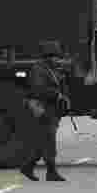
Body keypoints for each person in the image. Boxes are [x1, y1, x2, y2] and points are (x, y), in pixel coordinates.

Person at [19, 41, 71, 182]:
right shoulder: (39, 69)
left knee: (43, 141)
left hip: (51, 110)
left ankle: (28, 167)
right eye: (53, 56)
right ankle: (51, 172)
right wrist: (56, 94)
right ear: (46, 57)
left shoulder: (52, 69)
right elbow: (39, 89)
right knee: (48, 140)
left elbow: (59, 84)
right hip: (43, 109)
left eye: (57, 56)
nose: (56, 59)